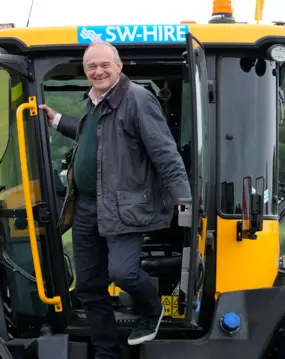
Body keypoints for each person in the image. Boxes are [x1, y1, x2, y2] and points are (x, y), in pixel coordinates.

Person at [38, 39, 191, 358]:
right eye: (91, 66)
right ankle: (107, 352)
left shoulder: (137, 98)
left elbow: (164, 152)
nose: (98, 71)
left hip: (122, 206)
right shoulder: (93, 102)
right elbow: (91, 137)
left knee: (124, 273)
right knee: (90, 287)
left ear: (119, 66)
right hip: (85, 207)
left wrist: (184, 198)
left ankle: (152, 311)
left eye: (104, 65)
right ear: (85, 70)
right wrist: (54, 119)